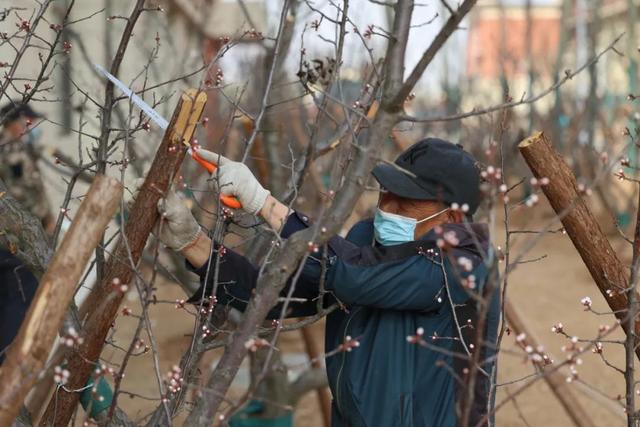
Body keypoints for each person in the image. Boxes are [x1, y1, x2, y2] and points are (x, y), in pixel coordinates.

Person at [155, 138, 500, 426]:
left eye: (405, 203)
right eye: (386, 194)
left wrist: (264, 204)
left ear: (452, 218)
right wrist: (193, 243)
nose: (387, 208)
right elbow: (270, 297)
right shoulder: (366, 245)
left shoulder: (464, 265)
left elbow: (357, 277)